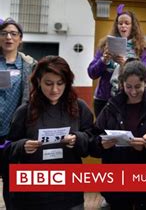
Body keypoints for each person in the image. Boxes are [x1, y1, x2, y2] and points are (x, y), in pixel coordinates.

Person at [7, 56, 94, 209]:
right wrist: (22, 146)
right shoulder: (24, 111)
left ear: (67, 83)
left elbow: (93, 142)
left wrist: (78, 139)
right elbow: (6, 148)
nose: (54, 90)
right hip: (33, 195)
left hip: (69, 193)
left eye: (60, 83)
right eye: (48, 83)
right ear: (38, 81)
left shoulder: (79, 108)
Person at [91, 59, 146, 209]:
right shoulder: (112, 105)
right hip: (118, 180)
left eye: (138, 86)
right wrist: (101, 143)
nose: (133, 92)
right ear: (122, 83)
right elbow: (94, 135)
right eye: (128, 86)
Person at [0, 18, 36, 209]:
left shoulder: (29, 65)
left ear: (20, 39)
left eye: (13, 34)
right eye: (4, 33)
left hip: (14, 134)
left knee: (11, 180)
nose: (8, 37)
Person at [88, 7, 146, 117]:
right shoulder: (105, 45)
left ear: (133, 26)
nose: (123, 26)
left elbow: (145, 74)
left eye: (127, 23)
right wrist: (104, 60)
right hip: (104, 99)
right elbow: (92, 73)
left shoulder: (141, 49)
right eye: (120, 23)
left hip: (128, 99)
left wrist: (125, 64)